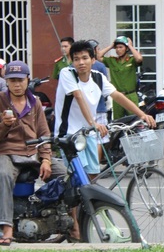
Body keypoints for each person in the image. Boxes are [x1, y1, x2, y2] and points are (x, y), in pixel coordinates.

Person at [0, 60, 66, 246]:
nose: (17, 84)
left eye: (20, 80)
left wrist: (45, 159)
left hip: (32, 152)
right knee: (3, 175)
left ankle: (62, 221)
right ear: (6, 81)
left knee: (63, 173)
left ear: (28, 80)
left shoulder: (35, 102)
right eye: (12, 80)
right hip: (6, 152)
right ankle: (6, 228)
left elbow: (44, 134)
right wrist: (4, 125)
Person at [55, 40, 156, 177]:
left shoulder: (98, 78)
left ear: (93, 59)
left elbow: (117, 96)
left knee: (92, 176)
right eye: (76, 59)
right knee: (79, 176)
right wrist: (94, 123)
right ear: (72, 61)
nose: (81, 63)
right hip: (69, 134)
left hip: (88, 133)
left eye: (85, 58)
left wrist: (142, 114)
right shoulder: (67, 73)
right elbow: (78, 97)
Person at [97, 36, 143, 120]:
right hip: (118, 96)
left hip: (131, 95)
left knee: (135, 120)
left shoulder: (131, 60)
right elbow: (98, 56)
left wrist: (130, 46)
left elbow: (139, 58)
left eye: (121, 47)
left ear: (126, 48)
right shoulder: (112, 61)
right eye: (116, 47)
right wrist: (111, 46)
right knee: (118, 122)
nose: (118, 50)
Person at [88, 39, 111, 162]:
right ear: (95, 50)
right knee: (98, 140)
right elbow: (105, 88)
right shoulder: (100, 66)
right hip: (100, 107)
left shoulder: (72, 67)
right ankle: (96, 166)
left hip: (86, 109)